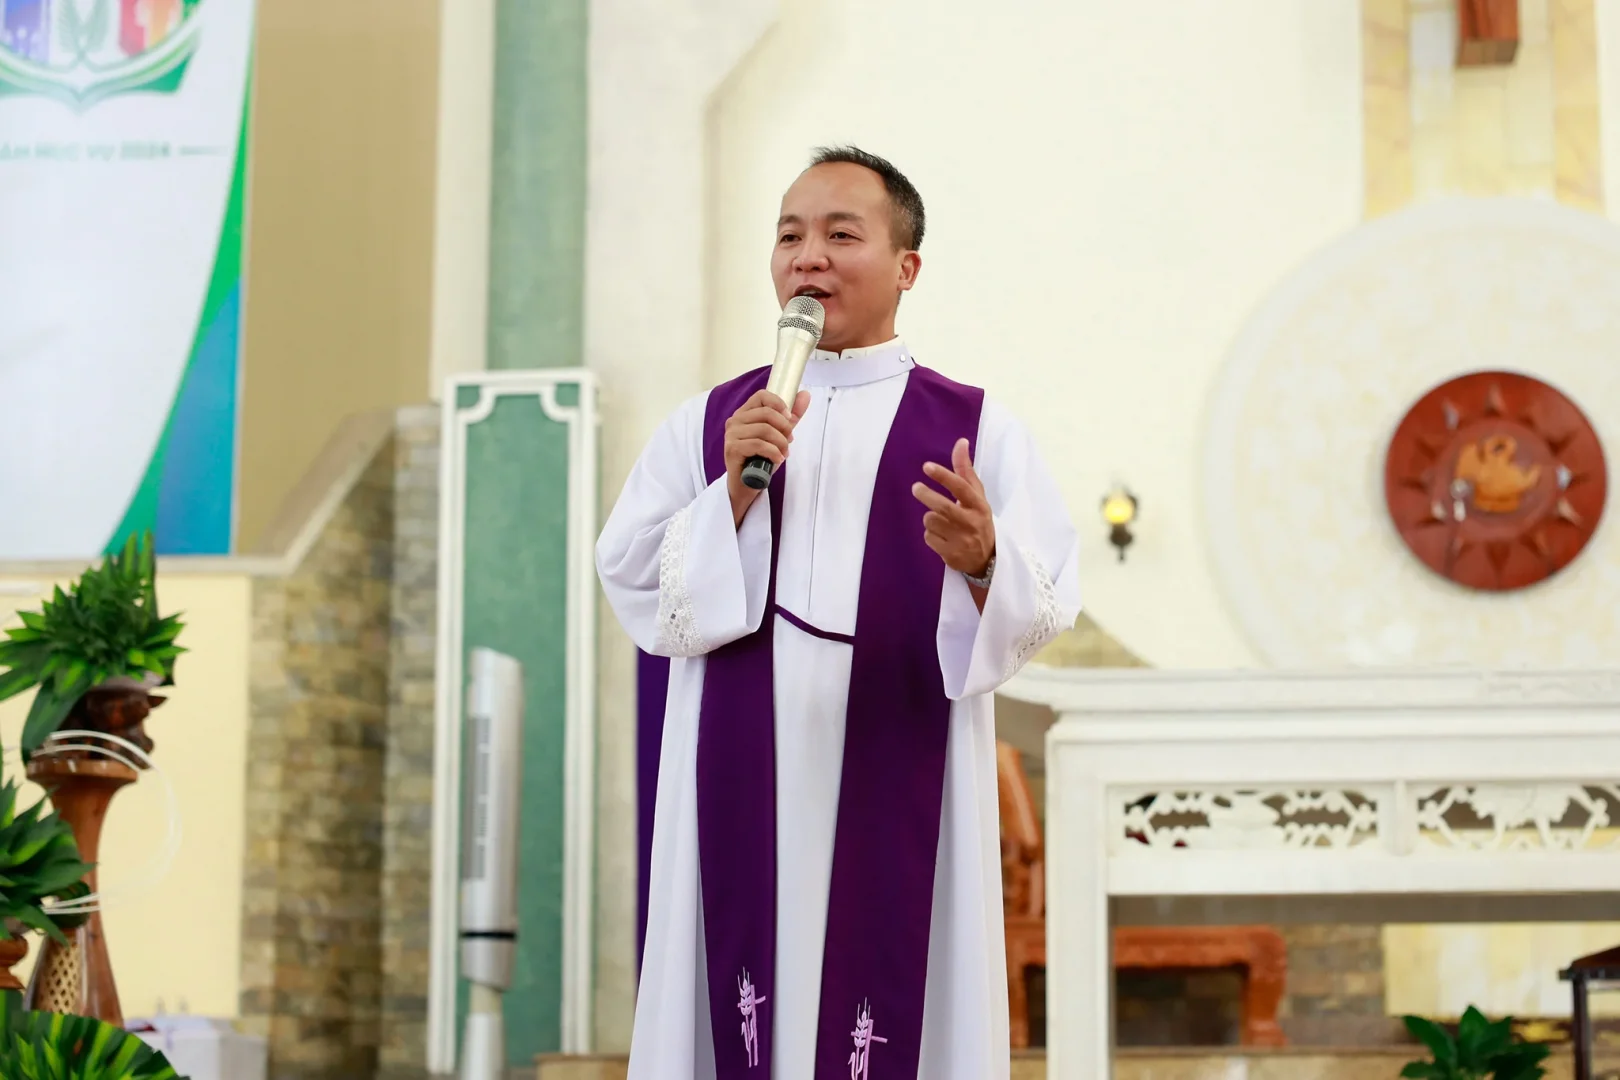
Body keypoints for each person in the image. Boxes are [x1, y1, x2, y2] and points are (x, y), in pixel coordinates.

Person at [596, 146, 1082, 1080]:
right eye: (789, 236)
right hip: (741, 780)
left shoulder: (978, 428)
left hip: (899, 779)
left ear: (907, 267)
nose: (807, 256)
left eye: (840, 234)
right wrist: (732, 495)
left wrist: (983, 561)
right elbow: (633, 581)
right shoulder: (709, 423)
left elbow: (1043, 606)